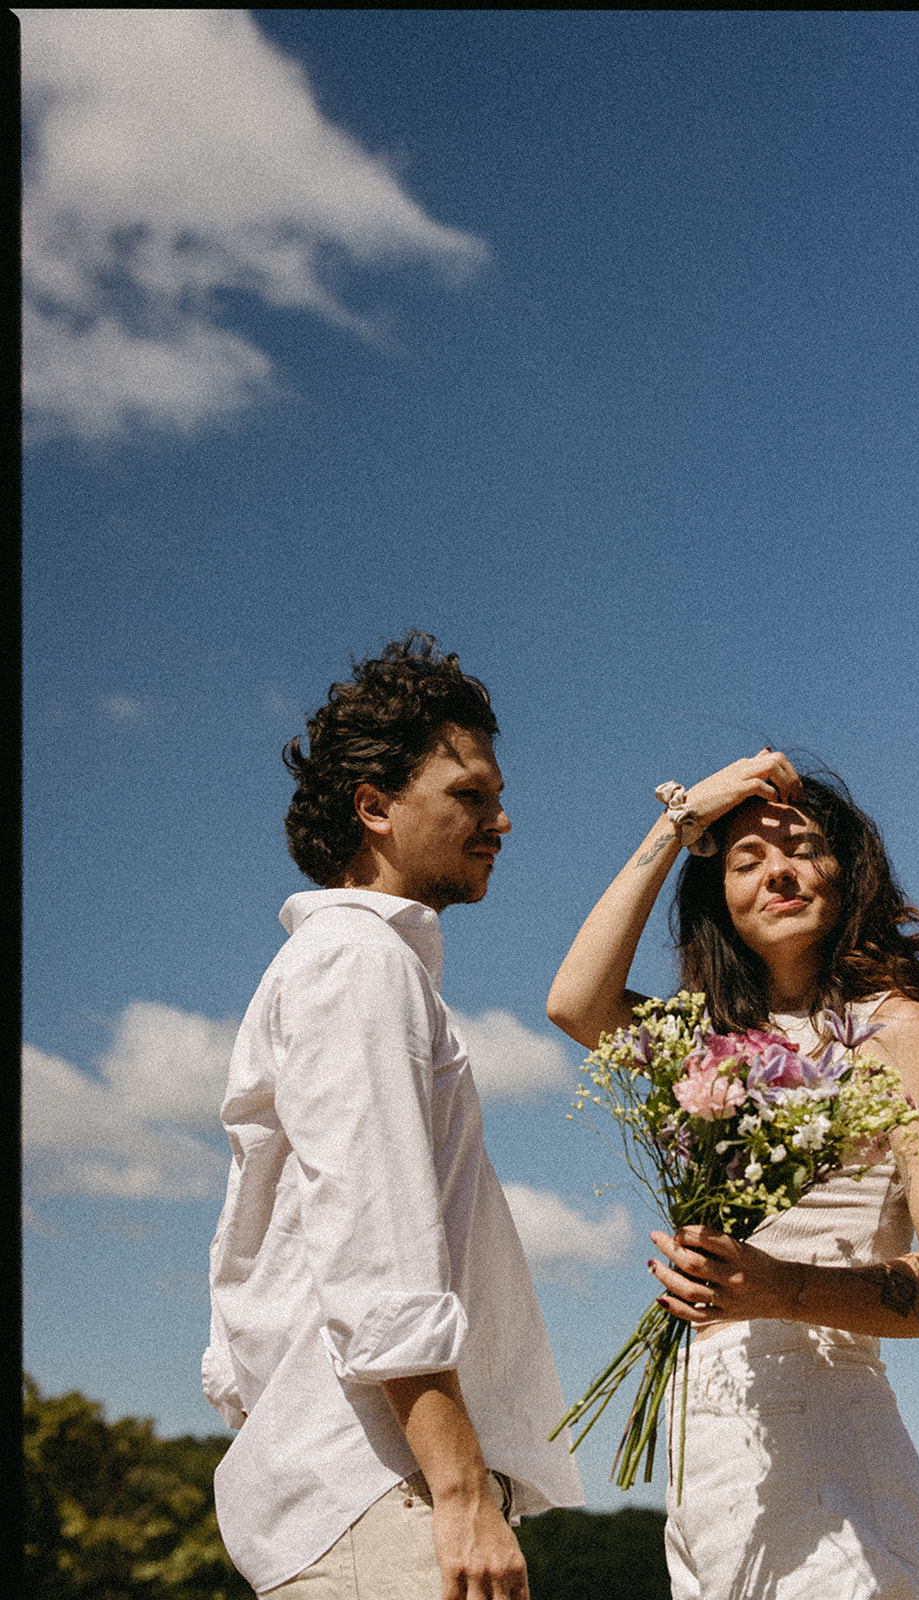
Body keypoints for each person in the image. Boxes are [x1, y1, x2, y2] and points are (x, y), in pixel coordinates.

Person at [547, 750, 919, 1600]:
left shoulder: (902, 1034)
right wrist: (679, 824)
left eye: (803, 849)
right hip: (707, 1437)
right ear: (715, 895)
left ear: (848, 873)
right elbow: (575, 1000)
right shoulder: (708, 1046)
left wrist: (779, 1286)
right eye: (747, 860)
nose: (779, 872)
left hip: (827, 1425)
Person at [202, 633, 582, 1600]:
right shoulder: (357, 963)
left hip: (363, 1486)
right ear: (374, 807)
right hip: (387, 1494)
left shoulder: (348, 967)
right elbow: (376, 1241)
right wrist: (458, 1493)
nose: (501, 818)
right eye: (470, 795)